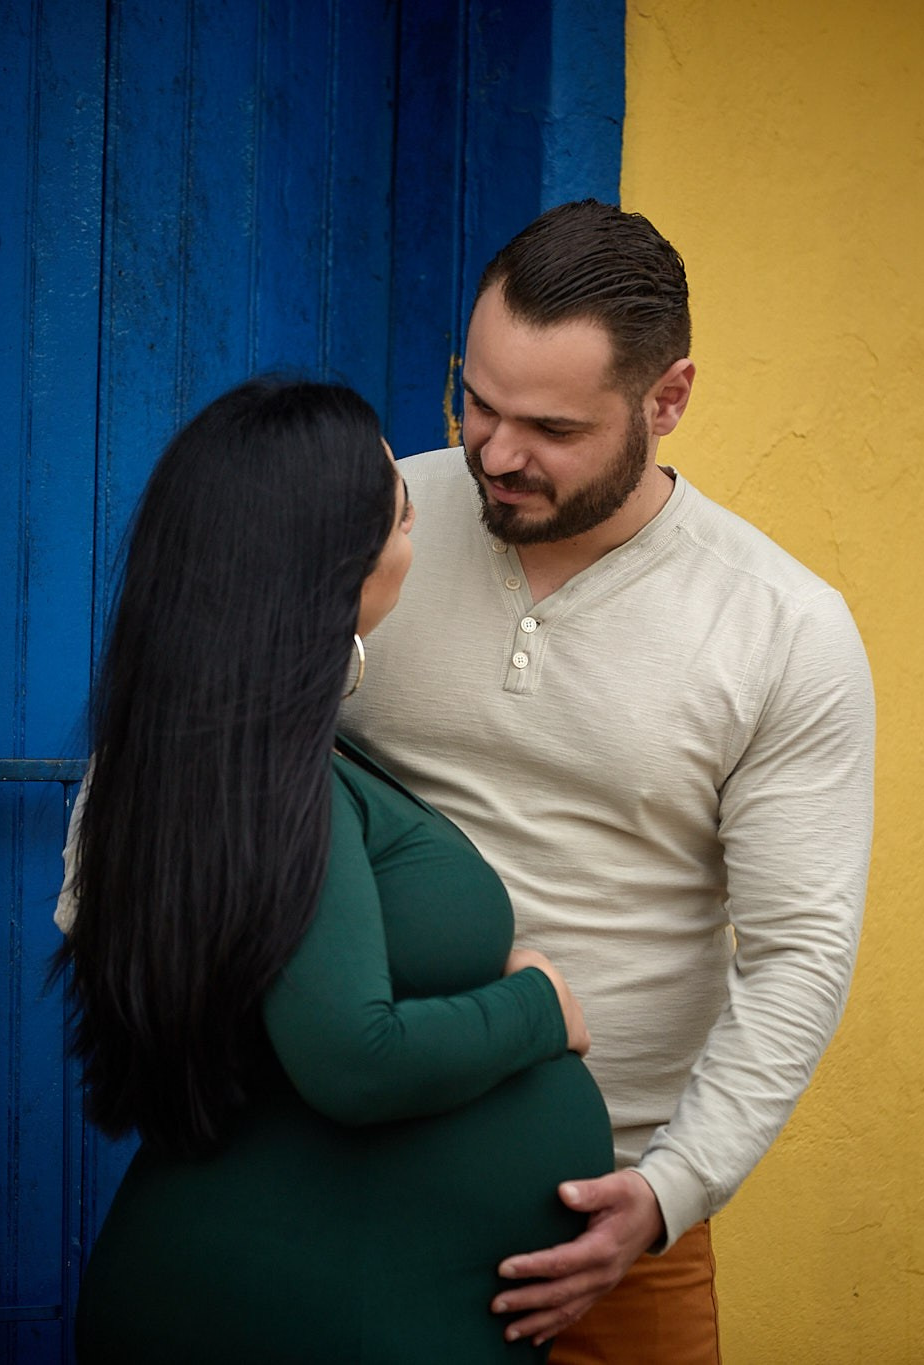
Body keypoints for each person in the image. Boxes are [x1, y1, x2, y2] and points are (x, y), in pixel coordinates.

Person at [339, 201, 877, 1360]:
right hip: (336, 1171)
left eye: (550, 426)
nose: (495, 454)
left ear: (666, 399)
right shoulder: (368, 529)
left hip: (605, 1213)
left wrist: (671, 1192)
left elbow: (796, 950)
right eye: (477, 402)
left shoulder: (781, 628)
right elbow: (208, 735)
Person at [51, 378, 615, 1362]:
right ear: (332, 562)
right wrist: (539, 1005)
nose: (416, 532)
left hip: (317, 1293)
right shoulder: (276, 777)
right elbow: (357, 1057)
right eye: (401, 514)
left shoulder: (195, 756)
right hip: (311, 1313)